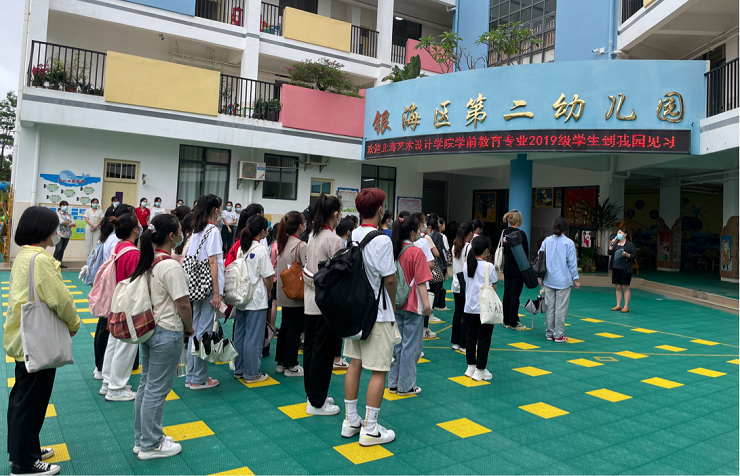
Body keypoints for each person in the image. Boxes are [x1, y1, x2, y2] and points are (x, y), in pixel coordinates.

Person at [5, 206, 81, 476]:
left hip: (23, 337)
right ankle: (25, 462)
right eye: (54, 226)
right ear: (42, 230)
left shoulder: (24, 255)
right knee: (31, 402)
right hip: (37, 340)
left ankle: (24, 450)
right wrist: (74, 323)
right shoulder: (42, 260)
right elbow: (61, 299)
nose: (57, 231)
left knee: (22, 399)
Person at [131, 214, 194, 460]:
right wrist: (189, 328)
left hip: (150, 328)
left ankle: (143, 439)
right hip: (168, 329)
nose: (182, 234)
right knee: (157, 390)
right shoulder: (170, 266)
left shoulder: (148, 260)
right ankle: (151, 443)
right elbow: (183, 304)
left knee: (147, 385)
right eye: (180, 231)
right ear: (171, 236)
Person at [342, 188, 398, 446]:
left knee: (354, 363)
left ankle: (351, 420)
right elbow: (390, 280)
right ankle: (371, 429)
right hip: (378, 313)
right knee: (379, 369)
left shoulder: (352, 235)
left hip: (355, 312)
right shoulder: (382, 240)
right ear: (380, 210)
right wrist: (393, 305)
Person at [303, 193, 344, 416]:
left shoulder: (313, 234)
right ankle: (317, 402)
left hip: (310, 301)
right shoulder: (334, 240)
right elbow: (339, 275)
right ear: (335, 214)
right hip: (325, 304)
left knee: (311, 350)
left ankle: (313, 395)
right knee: (323, 353)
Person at [388, 214, 432, 396]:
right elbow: (421, 282)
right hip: (413, 304)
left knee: (397, 344)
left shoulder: (393, 249)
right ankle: (406, 385)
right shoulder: (416, 252)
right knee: (411, 346)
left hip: (394, 302)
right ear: (413, 232)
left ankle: (393, 382)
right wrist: (427, 306)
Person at [100, 212, 142, 402]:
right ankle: (116, 388)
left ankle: (108, 381)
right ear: (134, 230)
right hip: (128, 302)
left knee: (114, 341)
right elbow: (135, 282)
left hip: (116, 299)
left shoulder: (120, 246)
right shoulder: (133, 253)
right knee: (126, 344)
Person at [185, 194, 224, 390]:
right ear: (215, 210)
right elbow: (213, 262)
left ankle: (191, 375)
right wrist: (217, 293)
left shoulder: (196, 231)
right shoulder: (213, 231)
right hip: (208, 286)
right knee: (204, 332)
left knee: (196, 328)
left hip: (196, 286)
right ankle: (199, 378)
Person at [232, 215, 274, 383]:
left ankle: (239, 369)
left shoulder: (242, 248)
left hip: (241, 296)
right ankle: (252, 373)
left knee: (240, 335)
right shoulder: (261, 249)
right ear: (263, 231)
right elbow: (267, 276)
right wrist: (269, 291)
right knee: (254, 337)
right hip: (256, 297)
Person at [274, 211, 307, 378]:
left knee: (285, 327)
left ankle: (281, 362)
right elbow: (307, 269)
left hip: (283, 292)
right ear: (300, 226)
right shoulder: (301, 245)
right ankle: (291, 365)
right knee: (294, 329)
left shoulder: (280, 243)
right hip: (297, 293)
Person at [539, 217, 580, 343]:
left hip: (548, 279)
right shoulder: (569, 243)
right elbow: (572, 263)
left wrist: (540, 276)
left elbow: (540, 258)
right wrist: (575, 279)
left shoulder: (547, 241)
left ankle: (549, 333)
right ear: (566, 229)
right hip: (563, 281)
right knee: (561, 308)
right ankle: (559, 334)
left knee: (549, 307)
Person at [463, 235, 498, 381]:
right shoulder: (489, 266)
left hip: (469, 307)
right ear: (485, 250)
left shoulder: (467, 265)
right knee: (484, 339)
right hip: (484, 309)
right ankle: (480, 369)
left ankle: (471, 366)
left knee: (470, 338)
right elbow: (494, 286)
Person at [402, 212, 436, 339]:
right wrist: (427, 305)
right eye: (422, 223)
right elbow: (421, 279)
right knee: (412, 340)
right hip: (415, 298)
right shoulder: (419, 249)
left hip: (398, 297)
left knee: (400, 337)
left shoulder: (395, 246)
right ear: (413, 231)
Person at [331, 216, 356, 370]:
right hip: (340, 290)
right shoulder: (342, 245)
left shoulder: (332, 239)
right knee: (339, 327)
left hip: (329, 289)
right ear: (348, 232)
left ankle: (333, 357)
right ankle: (336, 358)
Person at [502, 210, 529, 331]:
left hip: (507, 267)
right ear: (518, 220)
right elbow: (526, 253)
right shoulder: (521, 234)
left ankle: (506, 320)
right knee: (515, 295)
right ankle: (514, 322)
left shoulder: (504, 232)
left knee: (507, 293)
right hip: (518, 269)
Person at [451, 222, 473, 351]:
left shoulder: (454, 245)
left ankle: (455, 342)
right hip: (466, 284)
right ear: (470, 233)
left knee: (457, 313)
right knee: (466, 315)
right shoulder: (469, 247)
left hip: (456, 283)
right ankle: (464, 343)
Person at [609, 227, 636, 313]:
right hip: (616, 267)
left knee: (625, 287)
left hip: (625, 268)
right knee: (618, 287)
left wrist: (626, 254)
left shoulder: (630, 245)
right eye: (618, 233)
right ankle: (618, 305)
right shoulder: (616, 243)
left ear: (625, 234)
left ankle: (626, 306)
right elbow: (609, 252)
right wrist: (612, 244)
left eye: (620, 232)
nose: (618, 234)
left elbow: (634, 256)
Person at [427, 217, 448, 311]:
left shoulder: (422, 236)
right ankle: (434, 306)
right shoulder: (438, 236)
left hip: (427, 265)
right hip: (437, 265)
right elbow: (441, 251)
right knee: (436, 288)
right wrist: (445, 265)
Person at [53, 201, 75, 268]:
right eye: (63, 205)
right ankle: (53, 263)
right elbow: (62, 222)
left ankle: (59, 263)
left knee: (62, 249)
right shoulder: (57, 214)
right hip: (59, 234)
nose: (65, 207)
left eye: (66, 205)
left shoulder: (69, 215)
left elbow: (73, 223)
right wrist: (69, 223)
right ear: (60, 206)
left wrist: (67, 223)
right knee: (58, 249)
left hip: (67, 234)